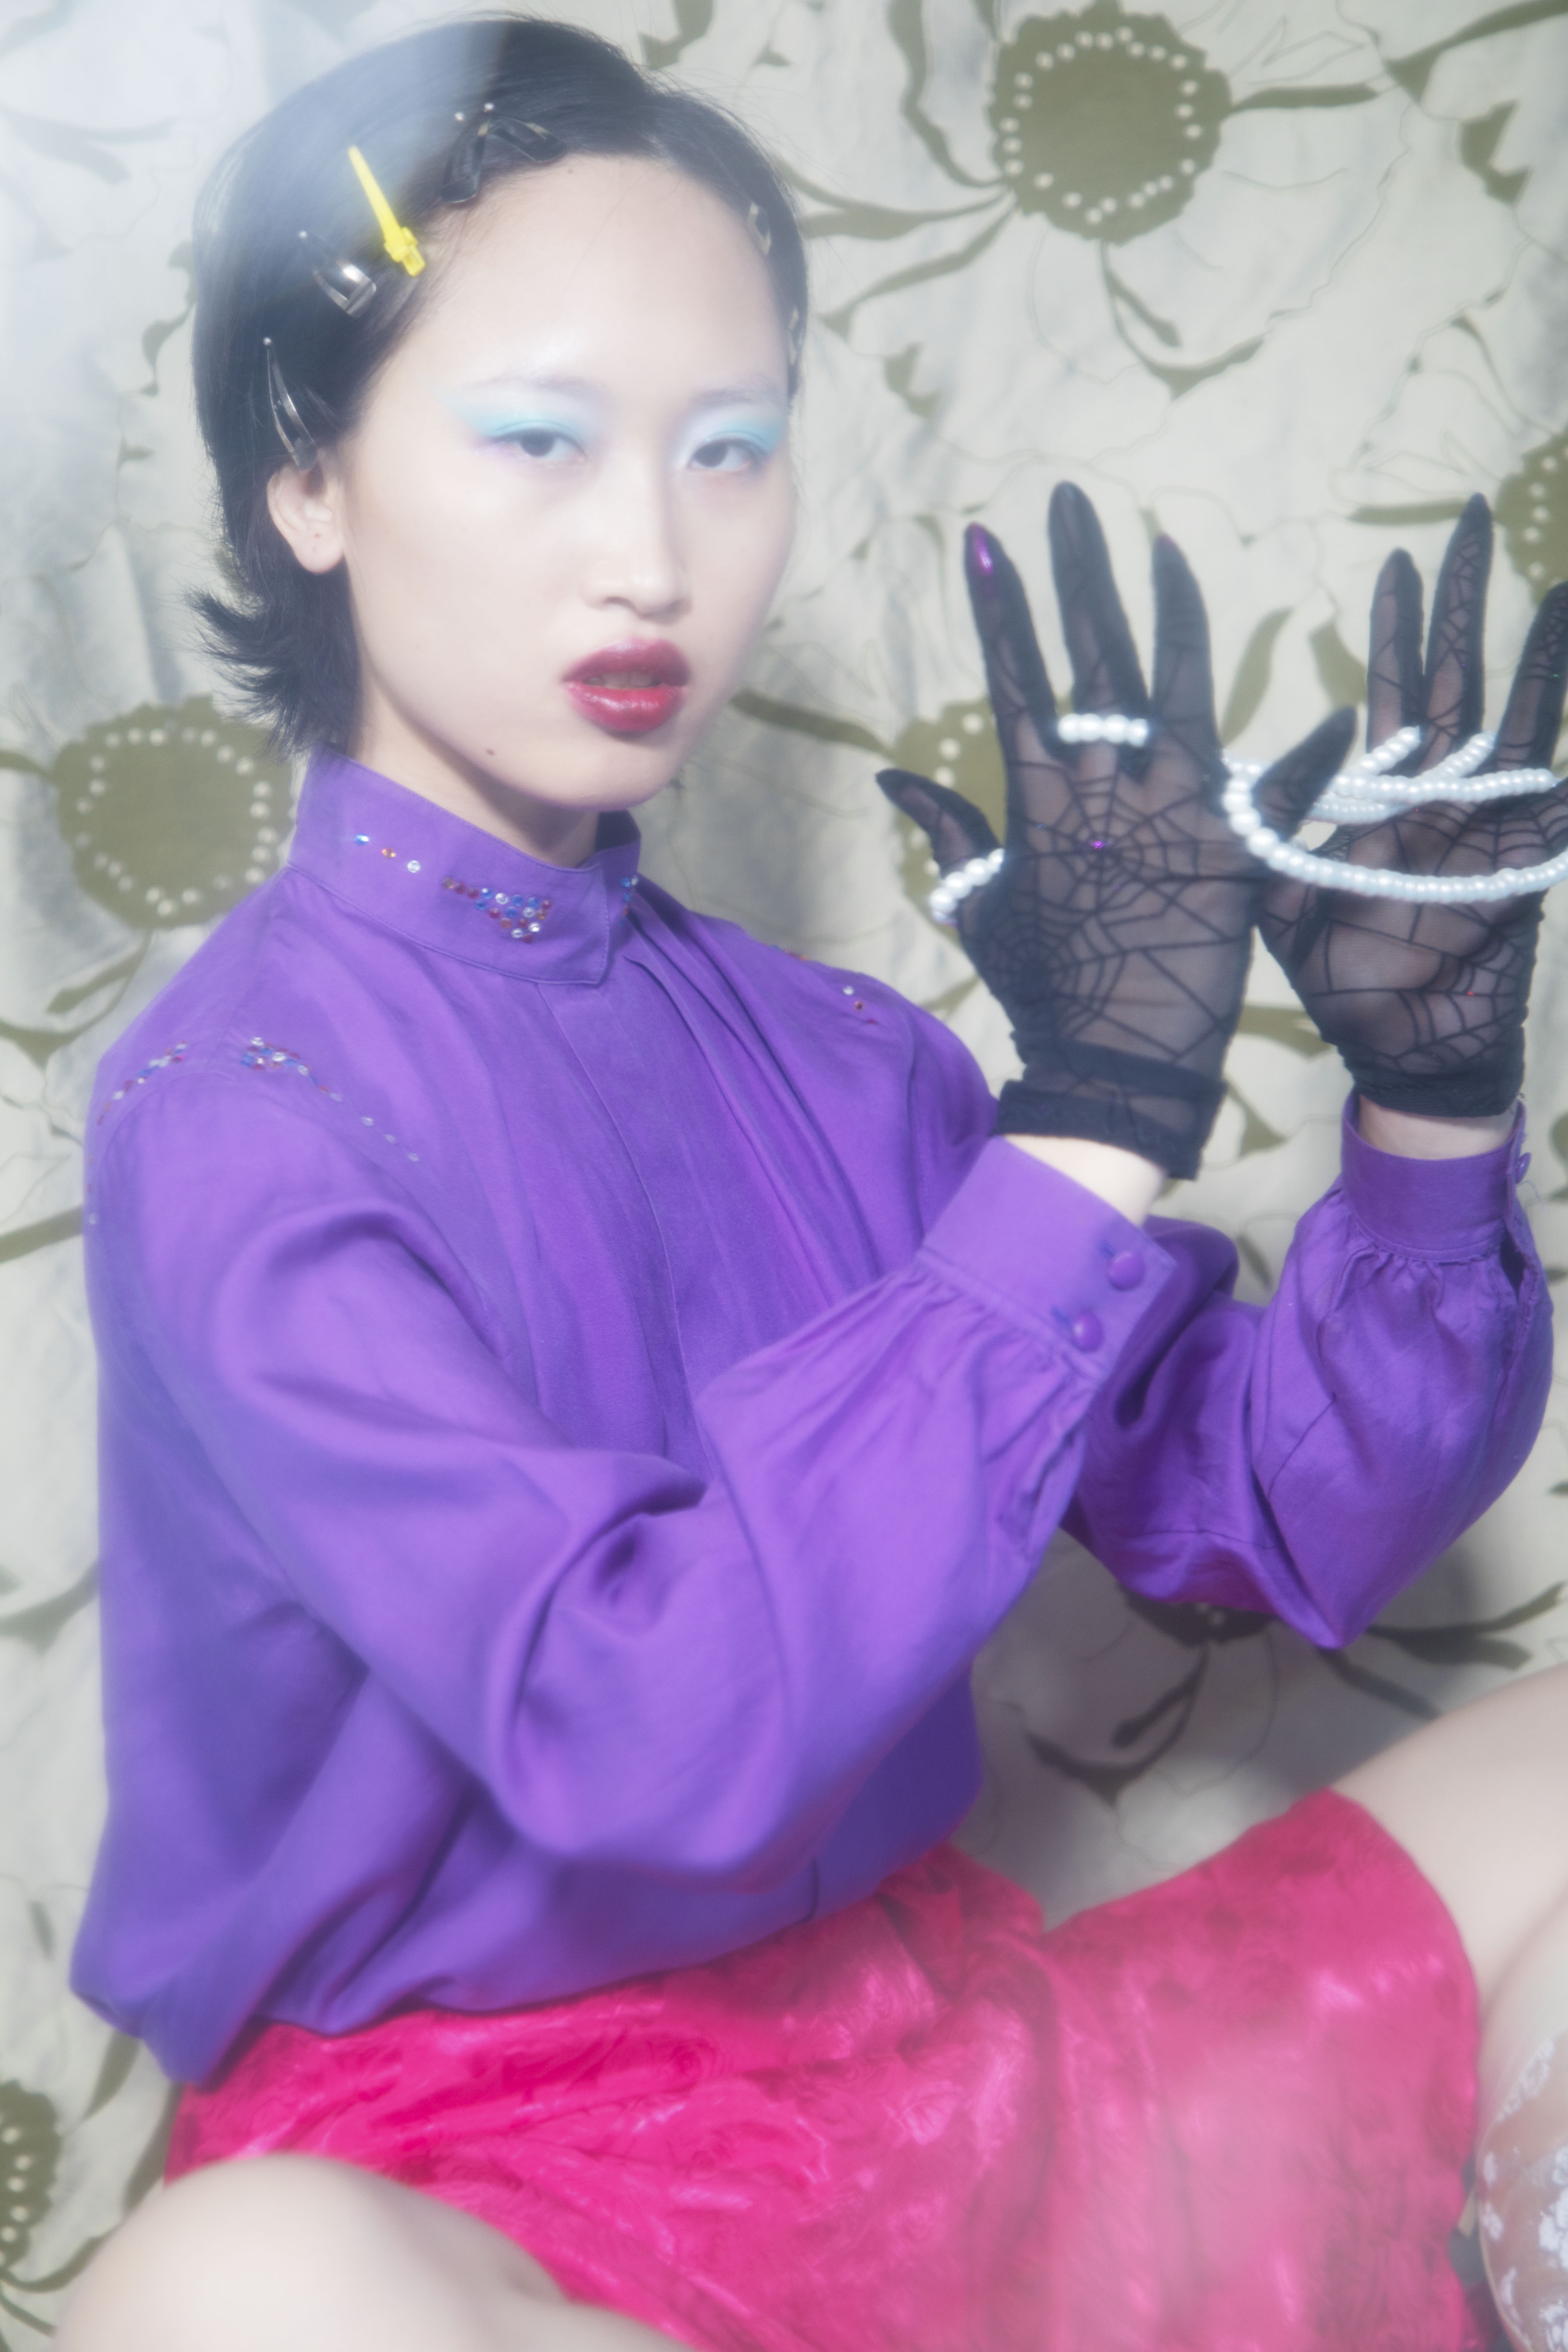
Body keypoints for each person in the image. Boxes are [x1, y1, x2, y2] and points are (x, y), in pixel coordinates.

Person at [51, 17, 1568, 2352]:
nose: (654, 557)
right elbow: (647, 1730)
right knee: (230, 2297)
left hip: (969, 2084)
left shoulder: (839, 1056)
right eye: (540, 440)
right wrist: (1093, 1121)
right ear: (309, 480)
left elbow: (1271, 1523)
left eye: (730, 449)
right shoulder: (236, 1112)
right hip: (501, 2195)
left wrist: (1431, 1104)